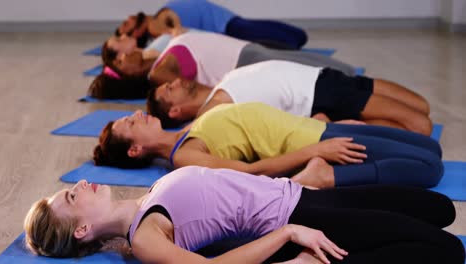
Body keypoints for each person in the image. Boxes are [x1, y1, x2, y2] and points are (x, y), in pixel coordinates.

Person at [24, 166, 465, 263]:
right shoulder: (145, 236)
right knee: (445, 251)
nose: (81, 184)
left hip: (301, 193)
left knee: (438, 208)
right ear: (81, 228)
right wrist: (290, 235)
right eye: (70, 196)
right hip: (302, 218)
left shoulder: (146, 199)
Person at [93, 102, 443, 189]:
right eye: (130, 123)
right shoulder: (183, 155)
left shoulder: (188, 128)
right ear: (134, 150)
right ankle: (327, 178)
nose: (137, 113)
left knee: (432, 149)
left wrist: (321, 121)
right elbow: (251, 170)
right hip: (313, 143)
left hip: (316, 127)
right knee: (430, 169)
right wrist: (315, 152)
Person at [148, 60, 432, 135]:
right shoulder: (213, 111)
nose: (174, 82)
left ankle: (350, 122)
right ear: (174, 111)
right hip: (318, 95)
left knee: (422, 105)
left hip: (326, 77)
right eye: (169, 90)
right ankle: (346, 125)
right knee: (421, 126)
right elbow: (186, 138)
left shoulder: (218, 86)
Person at [89, 31, 359, 99]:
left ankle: (355, 83)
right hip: (244, 62)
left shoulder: (154, 56)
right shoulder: (159, 73)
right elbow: (196, 91)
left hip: (243, 49)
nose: (123, 57)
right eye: (120, 63)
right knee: (324, 72)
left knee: (320, 65)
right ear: (127, 75)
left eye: (120, 56)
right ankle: (356, 87)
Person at [116, 1, 308, 50]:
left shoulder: (154, 20)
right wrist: (175, 28)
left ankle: (297, 38)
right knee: (281, 37)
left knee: (258, 28)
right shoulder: (154, 28)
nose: (129, 17)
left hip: (220, 19)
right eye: (126, 24)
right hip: (220, 25)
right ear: (137, 32)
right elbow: (172, 26)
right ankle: (295, 41)